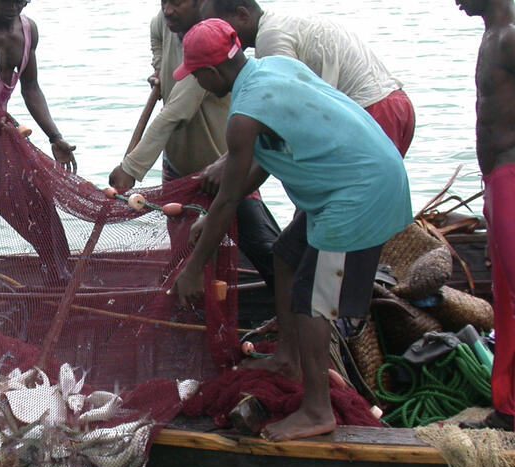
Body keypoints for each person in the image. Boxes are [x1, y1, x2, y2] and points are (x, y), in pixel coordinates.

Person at [169, 19, 412, 441]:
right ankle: (288, 360)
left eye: (194, 75)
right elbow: (262, 164)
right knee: (285, 254)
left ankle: (317, 410)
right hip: (359, 176)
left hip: (359, 191)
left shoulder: (243, 115)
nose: (198, 83)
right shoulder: (271, 68)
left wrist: (193, 269)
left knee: (311, 299)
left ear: (209, 73)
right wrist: (210, 220)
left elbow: (228, 200)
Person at [108, 0, 279, 293]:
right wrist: (160, 70)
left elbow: (177, 110)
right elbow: (157, 43)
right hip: (177, 165)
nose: (168, 10)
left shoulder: (210, 42)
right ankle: (191, 310)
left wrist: (130, 168)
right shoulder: (163, 21)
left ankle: (295, 300)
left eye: (177, 3)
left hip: (223, 166)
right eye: (164, 2)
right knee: (183, 250)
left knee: (260, 243)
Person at [199, 0, 415, 157]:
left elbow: (290, 114)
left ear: (242, 15)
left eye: (218, 26)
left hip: (373, 110)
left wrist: (234, 157)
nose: (215, 35)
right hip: (396, 104)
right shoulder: (281, 22)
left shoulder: (270, 39)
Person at [456, 0, 515, 431]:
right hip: (496, 178)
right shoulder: (492, 35)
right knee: (505, 299)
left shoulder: (511, 36)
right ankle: (508, 408)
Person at [0, 0, 78, 171]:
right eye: (7, 2)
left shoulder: (28, 30)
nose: (13, 8)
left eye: (20, 2)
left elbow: (31, 88)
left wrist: (55, 137)